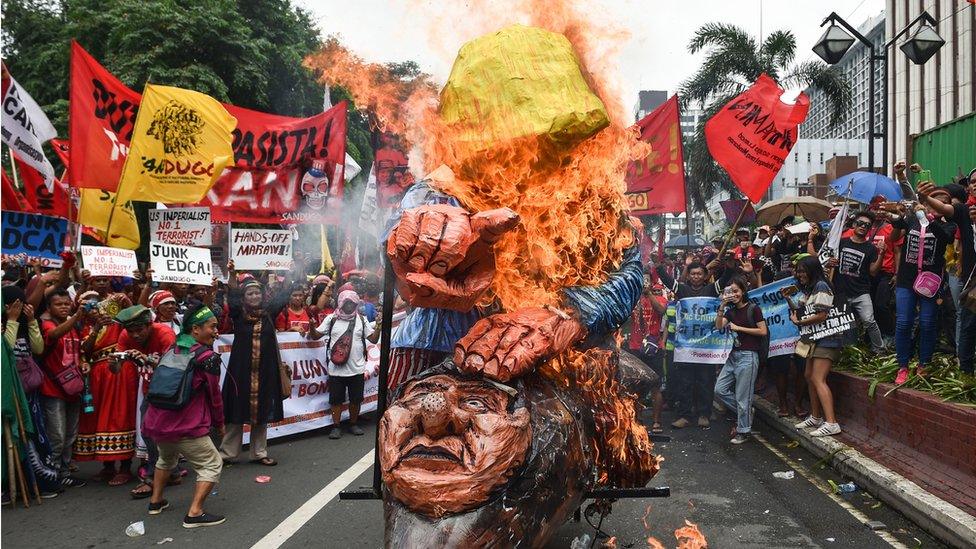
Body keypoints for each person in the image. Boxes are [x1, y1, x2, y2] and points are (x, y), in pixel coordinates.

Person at [143, 302, 226, 528]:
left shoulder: (174, 348)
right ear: (195, 330)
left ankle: (156, 502)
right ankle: (195, 513)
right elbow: (214, 396)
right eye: (212, 326)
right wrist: (220, 424)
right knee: (212, 464)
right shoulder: (206, 358)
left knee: (166, 459)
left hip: (158, 422)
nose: (216, 331)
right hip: (185, 425)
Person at [218, 261, 288, 466]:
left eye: (257, 293)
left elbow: (284, 295)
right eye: (249, 294)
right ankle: (228, 453)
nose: (254, 296)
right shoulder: (238, 314)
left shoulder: (268, 313)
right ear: (244, 297)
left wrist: (292, 270)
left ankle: (259, 453)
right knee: (235, 412)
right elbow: (231, 296)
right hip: (241, 373)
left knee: (262, 412)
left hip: (265, 372)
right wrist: (231, 274)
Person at [888, 184, 958, 384]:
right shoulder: (912, 219)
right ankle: (902, 366)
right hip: (906, 280)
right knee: (903, 322)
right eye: (933, 201)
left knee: (928, 323)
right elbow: (896, 226)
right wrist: (893, 215)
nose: (938, 206)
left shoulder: (948, 225)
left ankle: (923, 364)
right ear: (927, 203)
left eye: (943, 203)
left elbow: (944, 238)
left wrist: (926, 219)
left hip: (931, 282)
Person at [112, 305, 177, 499]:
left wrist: (147, 359)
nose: (135, 335)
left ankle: (164, 473)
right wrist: (114, 362)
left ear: (150, 324)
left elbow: (175, 367)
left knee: (177, 434)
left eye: (139, 330)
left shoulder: (165, 333)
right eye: (131, 331)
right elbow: (115, 371)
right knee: (147, 430)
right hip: (151, 389)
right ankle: (159, 473)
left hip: (174, 389)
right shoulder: (125, 336)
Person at [914, 179, 976, 374]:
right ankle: (965, 374)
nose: (975, 184)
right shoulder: (965, 211)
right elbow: (943, 208)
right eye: (973, 182)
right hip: (971, 281)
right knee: (967, 326)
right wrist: (925, 198)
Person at [75, 293, 137, 486]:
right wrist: (96, 328)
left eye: (97, 306)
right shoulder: (85, 328)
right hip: (98, 378)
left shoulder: (118, 322)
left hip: (119, 373)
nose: (94, 310)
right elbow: (84, 350)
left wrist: (126, 303)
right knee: (101, 419)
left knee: (120, 415)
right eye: (89, 307)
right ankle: (108, 466)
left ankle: (125, 467)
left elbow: (135, 319)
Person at [308, 289, 379, 438]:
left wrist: (378, 326)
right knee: (336, 400)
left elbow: (372, 339)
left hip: (357, 369)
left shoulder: (361, 319)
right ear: (341, 303)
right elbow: (315, 336)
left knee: (356, 399)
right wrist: (312, 326)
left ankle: (353, 424)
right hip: (336, 370)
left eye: (352, 303)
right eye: (346, 302)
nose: (349, 306)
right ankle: (336, 426)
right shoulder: (331, 319)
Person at [657, 262, 720, 429]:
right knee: (684, 382)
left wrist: (728, 266)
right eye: (693, 274)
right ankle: (684, 416)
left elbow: (727, 279)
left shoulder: (712, 290)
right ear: (689, 275)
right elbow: (669, 281)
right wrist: (658, 266)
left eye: (699, 274)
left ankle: (704, 414)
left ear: (705, 276)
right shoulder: (683, 290)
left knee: (705, 381)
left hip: (706, 346)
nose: (696, 277)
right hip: (685, 347)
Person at [37, 289, 88, 488]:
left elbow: (78, 352)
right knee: (56, 435)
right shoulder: (47, 324)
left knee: (70, 434)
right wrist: (75, 316)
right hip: (53, 388)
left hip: (72, 388)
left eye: (67, 303)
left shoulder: (73, 327)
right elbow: (55, 334)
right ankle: (52, 475)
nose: (64, 307)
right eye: (59, 304)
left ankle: (65, 472)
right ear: (49, 308)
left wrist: (84, 362)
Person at [791, 256, 843, 437]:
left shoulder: (821, 286)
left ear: (812, 270)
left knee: (818, 378)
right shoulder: (811, 289)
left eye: (803, 271)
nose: (800, 274)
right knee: (809, 375)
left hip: (827, 337)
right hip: (814, 338)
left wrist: (800, 322)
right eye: (798, 271)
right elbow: (802, 313)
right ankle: (816, 416)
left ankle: (832, 422)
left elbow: (822, 315)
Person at [713, 277, 767, 444]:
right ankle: (746, 412)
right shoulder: (730, 311)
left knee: (743, 397)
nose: (733, 295)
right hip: (733, 356)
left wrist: (738, 328)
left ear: (743, 291)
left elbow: (763, 331)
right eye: (730, 292)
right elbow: (719, 326)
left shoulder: (753, 309)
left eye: (736, 291)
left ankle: (743, 431)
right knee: (719, 389)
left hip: (748, 356)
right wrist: (722, 306)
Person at [829, 210, 886, 354]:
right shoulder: (841, 243)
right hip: (841, 291)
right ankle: (848, 351)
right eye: (860, 223)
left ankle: (879, 350)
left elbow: (873, 272)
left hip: (861, 292)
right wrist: (831, 262)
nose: (863, 227)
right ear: (854, 225)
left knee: (869, 321)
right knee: (845, 324)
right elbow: (828, 261)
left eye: (867, 225)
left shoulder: (871, 248)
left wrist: (882, 254)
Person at [625, 272, 667, 434]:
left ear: (651, 282)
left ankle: (657, 421)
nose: (644, 282)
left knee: (655, 386)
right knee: (637, 386)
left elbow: (662, 311)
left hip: (654, 348)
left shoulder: (659, 297)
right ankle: (638, 419)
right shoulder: (632, 298)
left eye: (647, 280)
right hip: (635, 348)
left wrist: (649, 294)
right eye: (641, 280)